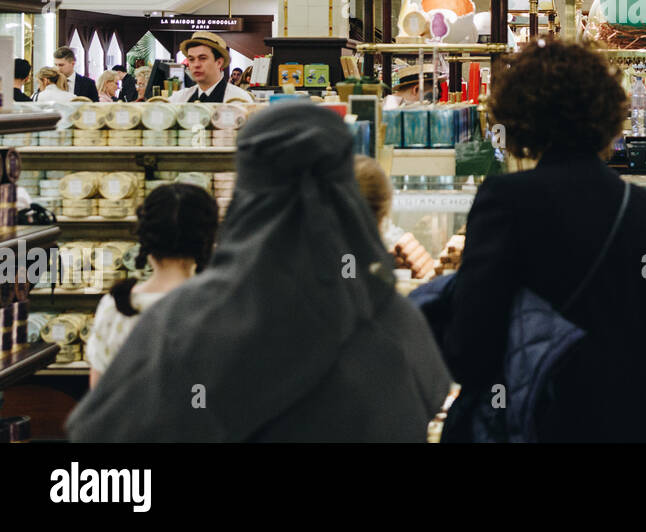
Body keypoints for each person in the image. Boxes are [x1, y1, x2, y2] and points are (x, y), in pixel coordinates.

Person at [66, 101, 449, 441]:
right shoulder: (391, 319)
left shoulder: (181, 321)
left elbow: (102, 430)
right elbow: (430, 399)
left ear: (245, 190)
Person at [443, 38, 646, 442]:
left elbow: (470, 349)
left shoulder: (504, 201)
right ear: (608, 112)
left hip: (537, 423)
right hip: (629, 425)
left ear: (519, 115)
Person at [85, 183, 219, 389]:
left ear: (145, 237)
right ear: (207, 240)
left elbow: (99, 392)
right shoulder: (218, 307)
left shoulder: (116, 306)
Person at [168, 31, 252, 104]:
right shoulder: (179, 99)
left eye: (203, 58)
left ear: (219, 62)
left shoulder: (238, 100)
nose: (196, 64)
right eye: (191, 59)